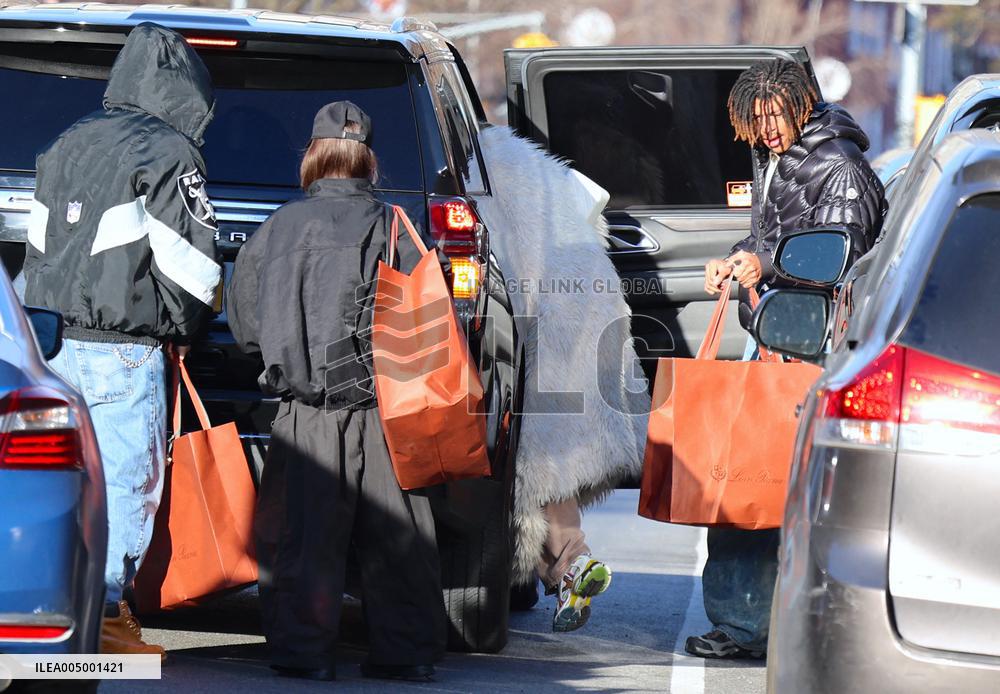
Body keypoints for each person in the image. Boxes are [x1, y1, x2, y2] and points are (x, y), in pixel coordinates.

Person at [226, 101, 446, 682]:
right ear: (368, 159)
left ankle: (304, 653)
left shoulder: (277, 227)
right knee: (399, 536)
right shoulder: (395, 226)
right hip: (385, 410)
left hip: (305, 412)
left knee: (302, 537)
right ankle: (407, 654)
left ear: (314, 157)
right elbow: (427, 320)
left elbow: (245, 323)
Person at [22, 23, 221, 660]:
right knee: (125, 485)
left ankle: (57, 625)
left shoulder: (64, 144)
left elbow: (36, 253)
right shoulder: (170, 154)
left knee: (66, 484)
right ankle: (105, 631)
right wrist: (190, 329)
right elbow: (193, 269)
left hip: (49, 345)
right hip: (123, 350)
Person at [689, 58, 886, 659]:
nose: (766, 129)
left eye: (775, 115)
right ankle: (747, 624)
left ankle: (752, 627)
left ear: (803, 103)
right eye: (756, 119)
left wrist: (767, 267)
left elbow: (841, 260)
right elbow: (772, 237)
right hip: (774, 333)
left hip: (809, 347)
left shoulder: (841, 169)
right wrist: (738, 259)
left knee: (757, 483)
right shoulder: (781, 157)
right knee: (747, 482)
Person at [475, 124, 652, 632]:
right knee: (555, 477)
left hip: (536, 348)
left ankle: (568, 566)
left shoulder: (480, 178)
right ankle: (570, 567)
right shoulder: (551, 180)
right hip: (589, 339)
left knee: (532, 473)